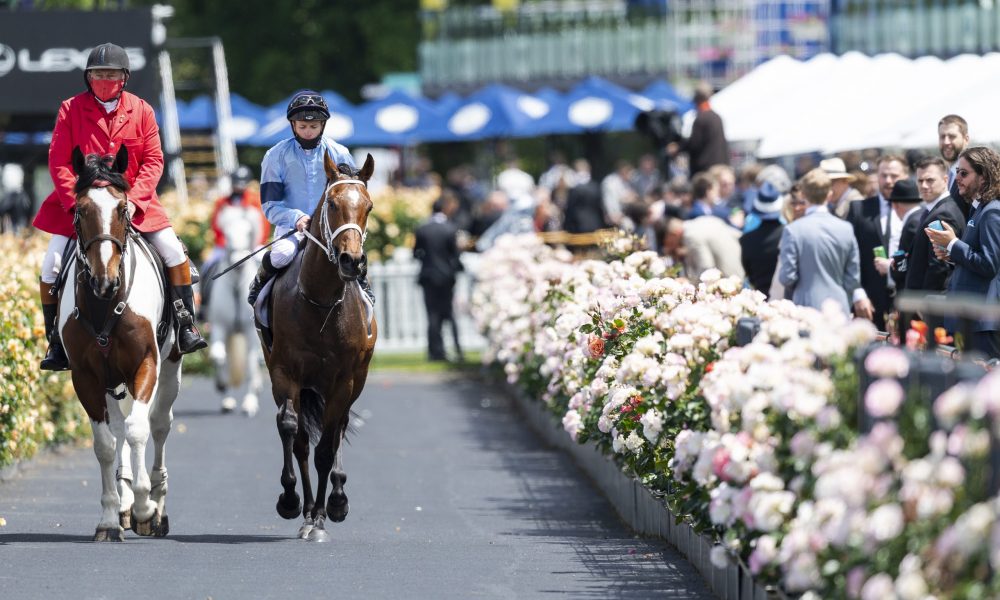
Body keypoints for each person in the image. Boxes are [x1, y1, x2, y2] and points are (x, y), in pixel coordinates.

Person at [34, 42, 206, 371]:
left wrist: (134, 199)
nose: (104, 79)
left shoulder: (141, 110)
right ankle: (56, 340)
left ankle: (185, 324)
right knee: (52, 264)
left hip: (131, 203)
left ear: (123, 77)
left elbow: (154, 161)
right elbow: (58, 162)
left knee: (173, 251)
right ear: (88, 77)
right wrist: (77, 203)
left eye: (110, 74)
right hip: (82, 206)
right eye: (98, 74)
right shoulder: (70, 109)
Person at [247, 90, 373, 307]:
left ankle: (364, 289)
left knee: (354, 255)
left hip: (332, 230)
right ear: (292, 125)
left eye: (313, 126)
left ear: (323, 125)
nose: (308, 131)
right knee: (281, 254)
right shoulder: (275, 156)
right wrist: (296, 218)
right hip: (293, 229)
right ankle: (259, 286)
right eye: (302, 126)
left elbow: (353, 196)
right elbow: (270, 206)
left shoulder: (340, 153)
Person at [925, 146, 1000, 359]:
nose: (957, 178)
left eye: (964, 173)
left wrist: (953, 244)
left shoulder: (992, 211)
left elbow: (989, 264)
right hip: (969, 319)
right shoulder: (979, 209)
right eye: (957, 172)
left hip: (982, 323)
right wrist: (951, 254)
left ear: (984, 177)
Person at [778, 168, 873, 319]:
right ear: (829, 195)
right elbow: (853, 278)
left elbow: (787, 277)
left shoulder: (793, 230)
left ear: (803, 194)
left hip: (805, 309)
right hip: (839, 308)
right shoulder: (846, 228)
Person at [846, 154, 909, 331]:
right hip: (869, 302)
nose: (888, 181)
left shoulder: (916, 210)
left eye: (894, 176)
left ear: (905, 176)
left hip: (906, 301)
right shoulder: (859, 209)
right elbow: (849, 255)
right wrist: (857, 294)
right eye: (883, 175)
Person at [200, 165, 269, 308]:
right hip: (225, 246)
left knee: (268, 264)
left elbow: (263, 226)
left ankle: (269, 303)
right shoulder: (222, 202)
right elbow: (216, 225)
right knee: (207, 266)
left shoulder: (255, 201)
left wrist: (252, 245)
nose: (239, 187)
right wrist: (226, 243)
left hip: (252, 245)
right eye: (236, 183)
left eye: (242, 183)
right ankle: (205, 305)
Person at [414, 195, 464, 362]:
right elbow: (455, 257)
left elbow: (416, 253)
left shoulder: (422, 229)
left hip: (428, 277)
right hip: (447, 278)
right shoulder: (450, 229)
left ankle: (434, 352)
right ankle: (457, 349)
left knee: (432, 315)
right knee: (449, 314)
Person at [905, 156, 966, 293]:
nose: (924, 185)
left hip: (930, 303)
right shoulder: (935, 210)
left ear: (945, 180)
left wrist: (924, 305)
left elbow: (940, 266)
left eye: (930, 180)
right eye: (920, 181)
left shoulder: (943, 213)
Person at [668, 81, 730, 177]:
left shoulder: (701, 119)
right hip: (720, 168)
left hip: (705, 170)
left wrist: (678, 148)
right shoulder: (717, 117)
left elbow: (694, 144)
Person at [740, 181, 786, 298]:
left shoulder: (746, 240)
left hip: (760, 298)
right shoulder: (790, 235)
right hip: (786, 298)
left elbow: (748, 272)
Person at [938, 114, 971, 218]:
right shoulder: (944, 175)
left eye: (952, 136)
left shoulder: (975, 174)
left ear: (966, 139)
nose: (946, 142)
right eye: (942, 137)